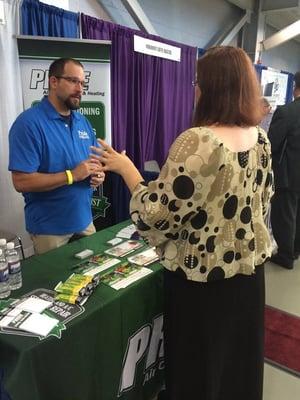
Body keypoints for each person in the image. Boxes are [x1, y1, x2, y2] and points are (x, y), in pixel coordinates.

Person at [91, 46, 273, 400]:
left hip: (202, 284)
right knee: (237, 371)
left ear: (210, 87)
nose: (194, 89)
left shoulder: (200, 140)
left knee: (197, 373)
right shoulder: (260, 138)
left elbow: (156, 215)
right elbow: (264, 198)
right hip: (249, 280)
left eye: (197, 82)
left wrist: (128, 171)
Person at [8, 58, 104, 255]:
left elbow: (94, 164)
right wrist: (72, 175)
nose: (80, 89)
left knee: (95, 280)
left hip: (84, 221)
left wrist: (98, 175)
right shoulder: (28, 124)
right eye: (73, 81)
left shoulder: (83, 122)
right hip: (50, 231)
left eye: (82, 83)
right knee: (54, 284)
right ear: (53, 81)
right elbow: (21, 181)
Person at [268, 71, 300, 269]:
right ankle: (296, 249)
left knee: (284, 214)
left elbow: (272, 143)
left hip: (288, 173)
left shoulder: (287, 112)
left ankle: (286, 255)